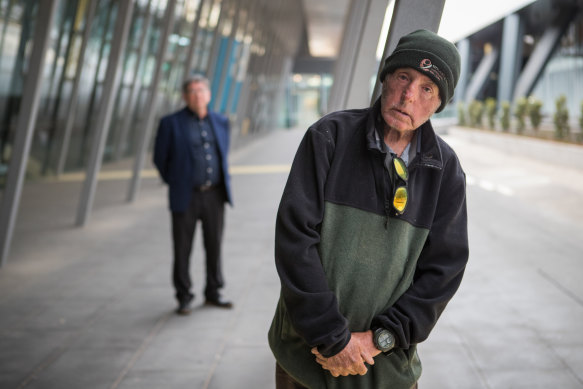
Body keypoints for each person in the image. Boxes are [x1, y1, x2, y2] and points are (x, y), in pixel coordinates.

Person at [268, 29, 469, 388]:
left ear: (439, 103)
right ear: (386, 79)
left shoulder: (446, 171)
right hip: (305, 358)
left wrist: (379, 338)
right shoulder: (329, 137)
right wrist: (333, 339)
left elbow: (443, 272)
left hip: (386, 370)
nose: (409, 96)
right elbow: (294, 241)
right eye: (404, 77)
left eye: (427, 88)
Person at [154, 75, 233, 315]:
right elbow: (160, 159)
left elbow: (223, 153)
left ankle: (213, 292)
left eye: (201, 91)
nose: (197, 95)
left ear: (208, 95)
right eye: (192, 91)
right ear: (184, 96)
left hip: (215, 195)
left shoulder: (221, 121)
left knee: (214, 245)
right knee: (182, 248)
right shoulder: (170, 123)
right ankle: (184, 296)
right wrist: (177, 181)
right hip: (185, 196)